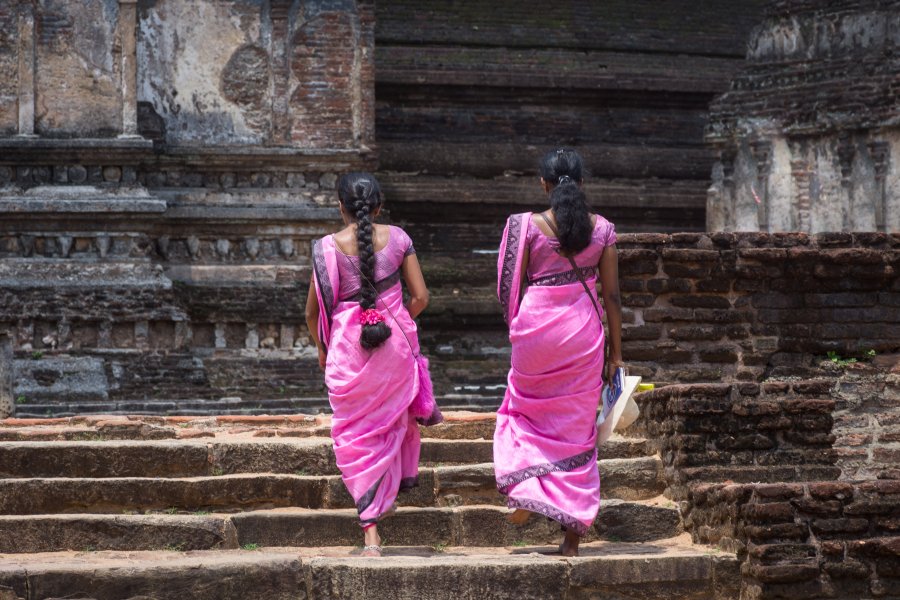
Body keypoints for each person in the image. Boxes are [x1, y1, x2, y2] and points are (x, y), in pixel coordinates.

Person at [493, 148, 624, 557]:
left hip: (536, 332)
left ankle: (527, 486)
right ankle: (571, 538)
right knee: (577, 428)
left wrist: (519, 328)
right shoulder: (602, 230)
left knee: (524, 412)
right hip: (583, 333)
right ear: (582, 184)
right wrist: (616, 355)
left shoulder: (524, 226)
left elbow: (505, 286)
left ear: (544, 185)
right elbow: (613, 296)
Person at [305, 172, 430, 557]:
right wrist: (398, 318)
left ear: (340, 206)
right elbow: (421, 297)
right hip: (393, 350)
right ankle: (385, 493)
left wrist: (323, 347)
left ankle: (371, 532)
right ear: (378, 207)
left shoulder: (327, 247)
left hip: (348, 351)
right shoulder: (400, 239)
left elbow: (312, 314)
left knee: (355, 439)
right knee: (390, 426)